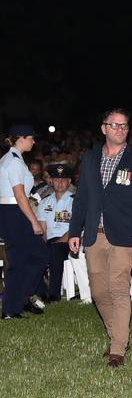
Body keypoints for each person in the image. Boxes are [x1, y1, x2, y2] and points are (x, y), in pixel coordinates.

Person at [68, 108, 132, 368]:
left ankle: (117, 349)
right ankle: (119, 335)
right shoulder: (90, 159)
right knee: (98, 291)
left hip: (124, 234)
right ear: (103, 128)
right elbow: (81, 198)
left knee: (118, 288)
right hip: (94, 233)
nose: (120, 130)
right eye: (114, 125)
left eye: (124, 126)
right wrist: (74, 231)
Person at [0, 124, 49, 319]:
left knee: (38, 255)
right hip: (14, 212)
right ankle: (11, 309)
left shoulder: (14, 159)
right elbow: (20, 196)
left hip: (14, 212)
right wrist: (35, 222)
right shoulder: (13, 162)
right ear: (21, 138)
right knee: (21, 260)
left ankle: (21, 298)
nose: (34, 141)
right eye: (31, 138)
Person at [36, 164, 75, 303]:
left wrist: (57, 243)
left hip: (70, 242)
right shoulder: (44, 202)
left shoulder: (75, 201)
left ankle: (54, 294)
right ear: (51, 181)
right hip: (50, 241)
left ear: (69, 181)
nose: (60, 182)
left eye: (63, 179)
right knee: (34, 251)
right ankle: (41, 292)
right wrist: (43, 244)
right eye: (56, 179)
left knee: (55, 250)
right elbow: (42, 229)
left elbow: (75, 228)